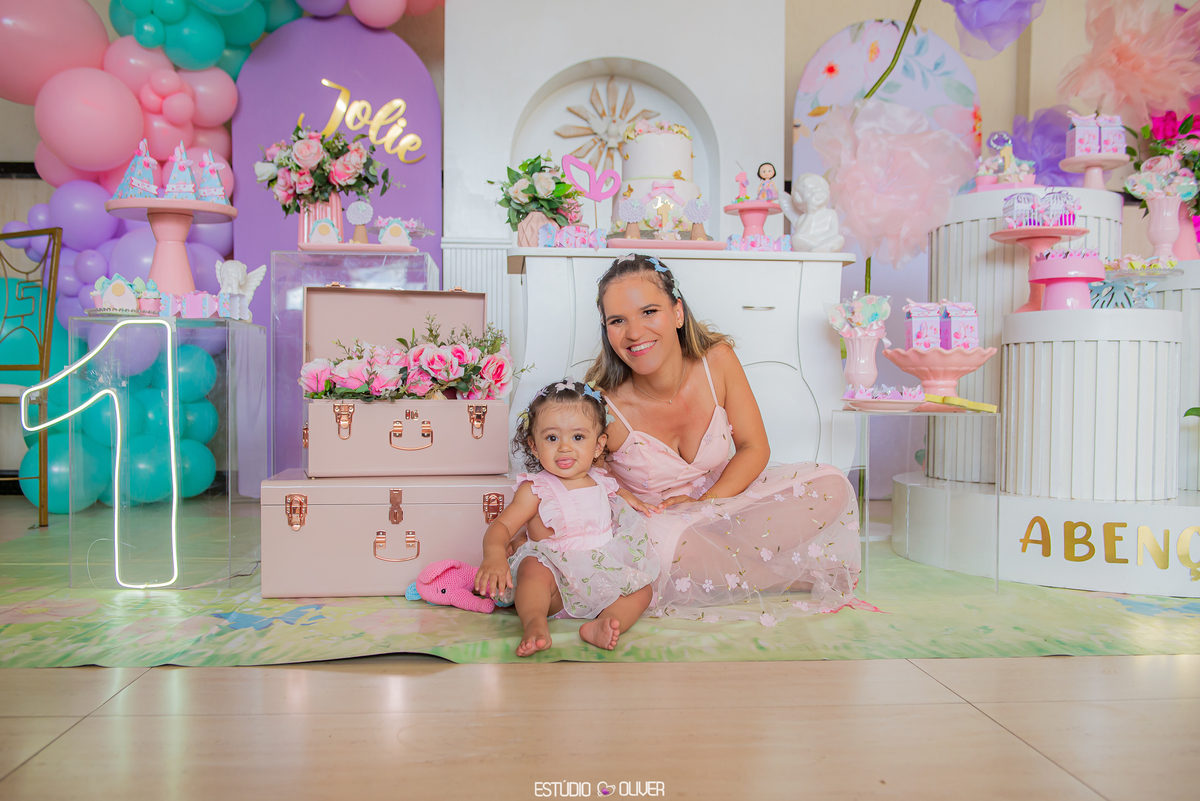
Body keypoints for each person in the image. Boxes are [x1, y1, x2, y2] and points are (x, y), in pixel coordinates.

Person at [587, 254, 859, 622]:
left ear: (678, 313)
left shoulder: (717, 361)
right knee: (671, 545)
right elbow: (588, 485)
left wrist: (707, 506)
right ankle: (786, 576)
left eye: (649, 312)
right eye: (617, 321)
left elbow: (754, 447)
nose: (634, 333)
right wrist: (629, 499)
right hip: (662, 531)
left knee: (831, 485)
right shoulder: (602, 406)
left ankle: (726, 567)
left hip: (725, 504)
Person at [475, 381, 660, 656]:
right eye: (552, 438)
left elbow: (617, 495)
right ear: (534, 445)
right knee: (532, 568)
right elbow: (502, 525)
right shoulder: (535, 489)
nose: (564, 448)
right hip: (555, 588)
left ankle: (605, 623)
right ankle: (535, 622)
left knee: (642, 590)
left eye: (578, 437)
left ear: (598, 445)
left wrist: (631, 499)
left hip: (599, 578)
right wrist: (494, 555)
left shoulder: (602, 481)